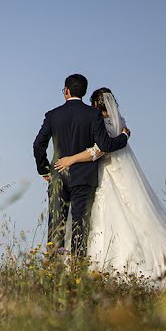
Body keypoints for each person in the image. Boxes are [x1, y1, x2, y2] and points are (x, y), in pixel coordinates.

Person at [53, 87, 166, 284]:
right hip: (117, 172)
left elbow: (101, 149)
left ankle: (99, 268)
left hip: (102, 174)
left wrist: (71, 159)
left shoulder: (99, 122)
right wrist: (124, 136)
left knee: (100, 217)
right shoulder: (121, 123)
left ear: (95, 105)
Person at [33, 74, 130, 258]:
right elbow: (106, 145)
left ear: (66, 91)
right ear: (84, 92)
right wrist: (124, 136)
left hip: (58, 177)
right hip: (84, 178)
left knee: (56, 224)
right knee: (80, 225)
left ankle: (53, 269)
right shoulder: (93, 114)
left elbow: (38, 145)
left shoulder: (53, 115)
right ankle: (78, 269)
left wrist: (44, 170)